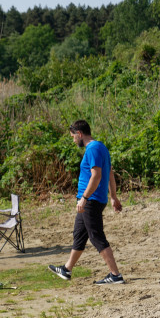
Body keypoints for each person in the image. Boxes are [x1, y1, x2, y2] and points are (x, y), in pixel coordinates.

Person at [48, 120, 125, 284]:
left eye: (73, 137)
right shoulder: (100, 147)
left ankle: (115, 274)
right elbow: (110, 173)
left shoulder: (93, 149)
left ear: (79, 134)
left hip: (91, 200)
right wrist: (113, 197)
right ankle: (67, 269)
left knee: (96, 236)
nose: (73, 140)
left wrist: (84, 198)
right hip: (92, 199)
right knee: (79, 235)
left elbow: (96, 176)